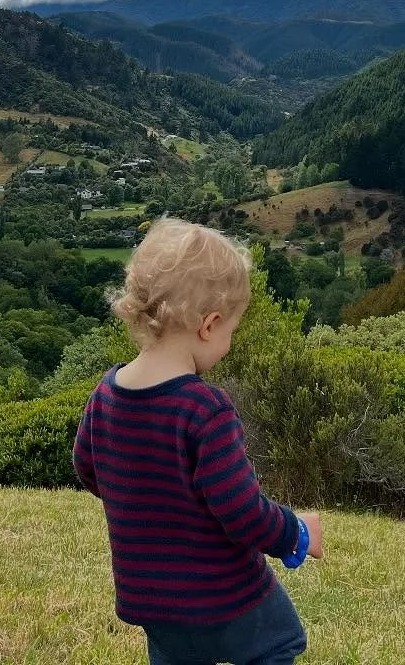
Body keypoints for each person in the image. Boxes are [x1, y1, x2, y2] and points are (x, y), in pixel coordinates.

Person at [73, 218, 322, 665]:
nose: (228, 344)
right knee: (279, 641)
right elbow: (241, 511)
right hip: (223, 594)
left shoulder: (106, 393)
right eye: (232, 331)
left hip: (149, 598)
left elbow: (89, 468)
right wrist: (295, 533)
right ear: (209, 325)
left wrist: (149, 501)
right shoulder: (204, 409)